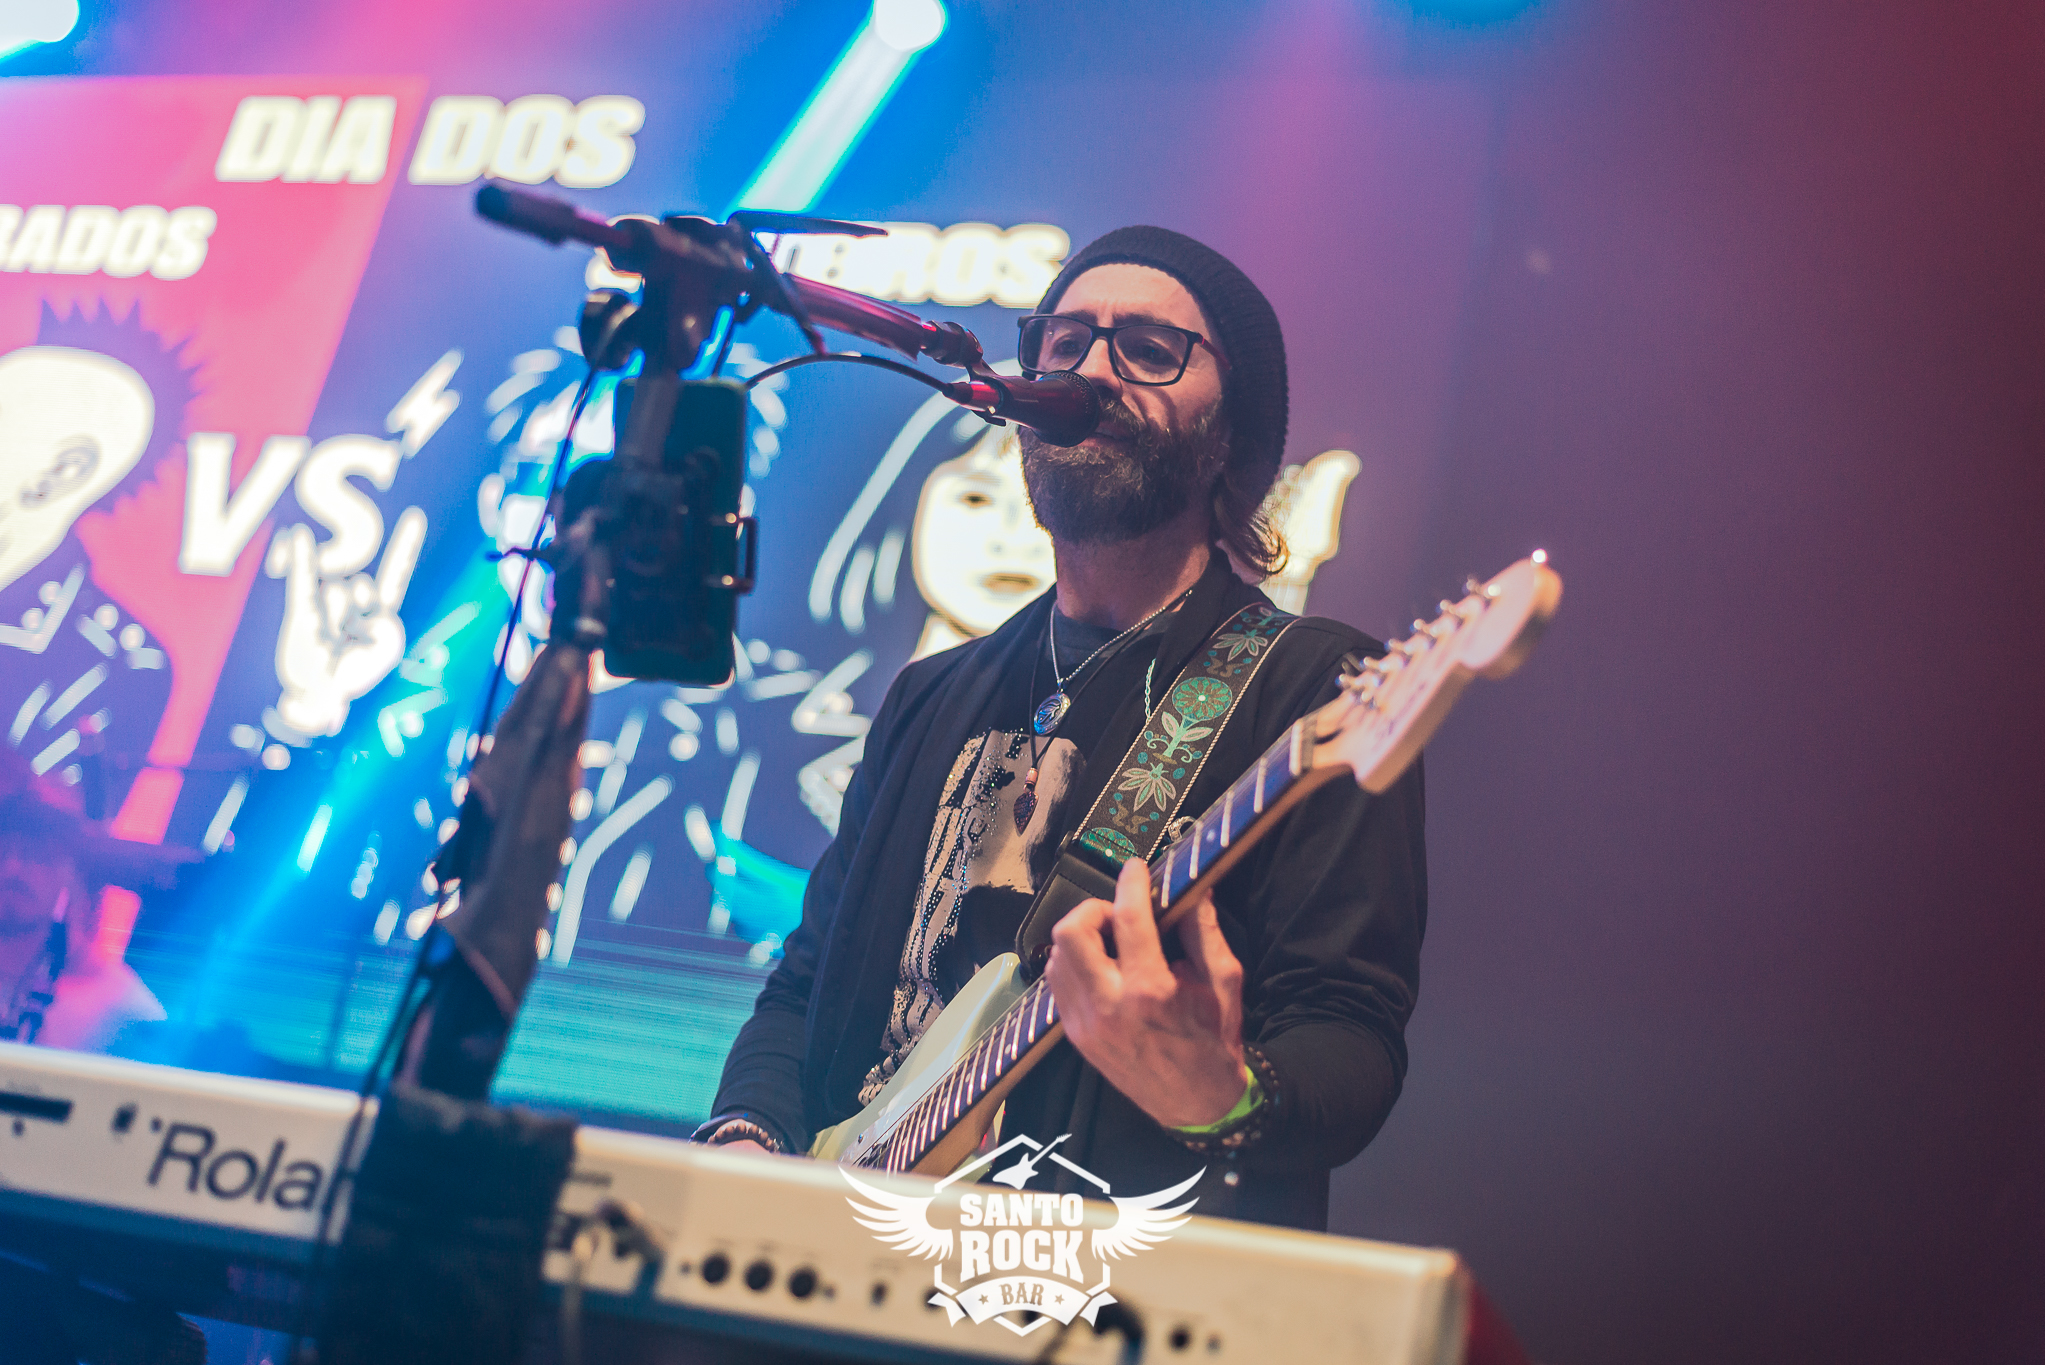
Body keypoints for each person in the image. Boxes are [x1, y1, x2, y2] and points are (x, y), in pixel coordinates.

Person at [697, 227, 1426, 1230]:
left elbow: (1348, 1034)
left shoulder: (1311, 688)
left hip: (1102, 1271)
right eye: (1066, 342)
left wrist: (1223, 1096)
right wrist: (747, 1134)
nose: (1092, 371)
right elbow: (806, 984)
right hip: (855, 1243)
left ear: (1229, 435)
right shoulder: (928, 696)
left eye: (1149, 350)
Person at [0, 792, 166, 1050]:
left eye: (36, 854)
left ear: (72, 873)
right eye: (2, 851)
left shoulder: (121, 1007)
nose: (11, 869)